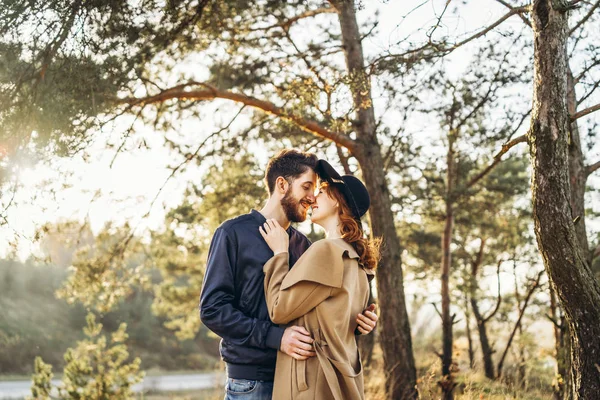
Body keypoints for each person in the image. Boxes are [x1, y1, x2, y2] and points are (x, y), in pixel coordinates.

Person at [199, 150, 378, 400]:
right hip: (252, 381)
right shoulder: (232, 233)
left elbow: (316, 310)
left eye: (316, 190)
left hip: (300, 380)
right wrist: (277, 338)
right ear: (282, 185)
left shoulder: (303, 245)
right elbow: (212, 310)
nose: (311, 197)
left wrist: (359, 324)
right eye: (306, 187)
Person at [259, 159, 379, 400]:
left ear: (337, 201)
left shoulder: (325, 250)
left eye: (321, 192)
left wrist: (280, 254)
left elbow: (278, 310)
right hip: (337, 383)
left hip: (311, 384)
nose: (312, 198)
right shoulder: (358, 260)